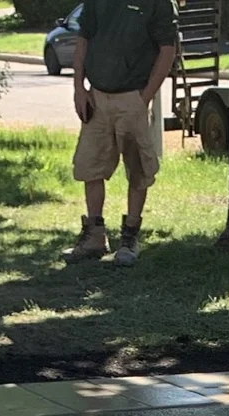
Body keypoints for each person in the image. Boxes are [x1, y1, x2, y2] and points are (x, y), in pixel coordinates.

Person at [64, 0, 180, 265]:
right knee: (89, 167)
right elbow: (84, 38)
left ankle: (129, 238)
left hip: (133, 98)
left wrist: (145, 97)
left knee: (138, 171)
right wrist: (79, 88)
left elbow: (167, 49)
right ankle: (94, 236)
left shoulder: (160, 4)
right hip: (97, 97)